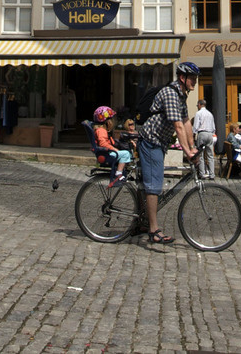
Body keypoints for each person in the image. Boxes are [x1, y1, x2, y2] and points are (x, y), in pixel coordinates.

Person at [137, 62, 199, 245]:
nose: (195, 81)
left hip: (160, 143)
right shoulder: (171, 94)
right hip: (150, 141)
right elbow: (177, 125)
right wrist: (187, 152)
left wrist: (192, 145)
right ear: (182, 78)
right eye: (193, 78)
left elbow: (186, 121)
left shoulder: (181, 96)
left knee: (149, 181)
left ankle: (140, 221)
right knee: (153, 184)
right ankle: (154, 230)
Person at [91, 106, 131, 186]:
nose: (112, 122)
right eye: (111, 120)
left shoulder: (100, 130)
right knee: (126, 154)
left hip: (107, 153)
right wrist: (114, 149)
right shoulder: (101, 131)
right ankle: (119, 173)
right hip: (108, 154)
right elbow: (103, 143)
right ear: (107, 122)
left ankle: (122, 171)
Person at [192, 98, 217, 178]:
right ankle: (212, 174)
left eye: (197, 105)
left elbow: (196, 125)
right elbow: (213, 126)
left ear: (199, 105)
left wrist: (193, 134)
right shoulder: (210, 114)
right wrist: (212, 134)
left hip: (202, 133)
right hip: (210, 134)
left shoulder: (198, 113)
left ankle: (202, 174)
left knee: (201, 154)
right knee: (210, 155)